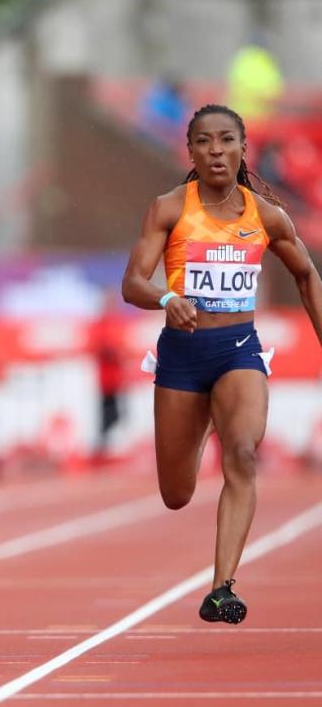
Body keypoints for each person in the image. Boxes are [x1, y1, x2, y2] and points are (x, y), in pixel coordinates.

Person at [121, 104, 322, 624]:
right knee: (176, 493)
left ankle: (221, 587)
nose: (216, 151)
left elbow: (306, 275)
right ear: (189, 151)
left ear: (242, 148)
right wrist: (167, 300)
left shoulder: (267, 216)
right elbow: (133, 283)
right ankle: (206, 419)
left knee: (243, 453)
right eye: (205, 142)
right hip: (183, 360)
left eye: (226, 140)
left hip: (239, 351)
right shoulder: (169, 208)